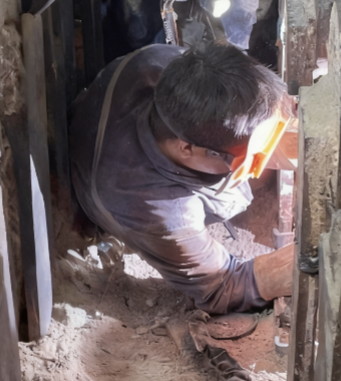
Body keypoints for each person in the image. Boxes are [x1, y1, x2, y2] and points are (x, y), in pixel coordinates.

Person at [68, 42, 296, 315]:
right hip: (103, 182)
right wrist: (275, 274)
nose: (259, 165)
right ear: (187, 149)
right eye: (253, 157)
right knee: (229, 192)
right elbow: (220, 288)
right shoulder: (158, 208)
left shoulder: (166, 61)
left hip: (107, 122)